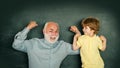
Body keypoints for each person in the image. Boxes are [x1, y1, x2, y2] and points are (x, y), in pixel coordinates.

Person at [12, 21, 80, 68]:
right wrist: (28, 28)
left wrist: (78, 33)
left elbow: (84, 50)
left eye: (56, 31)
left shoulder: (64, 46)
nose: (54, 34)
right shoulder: (33, 43)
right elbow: (16, 45)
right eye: (51, 31)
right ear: (44, 31)